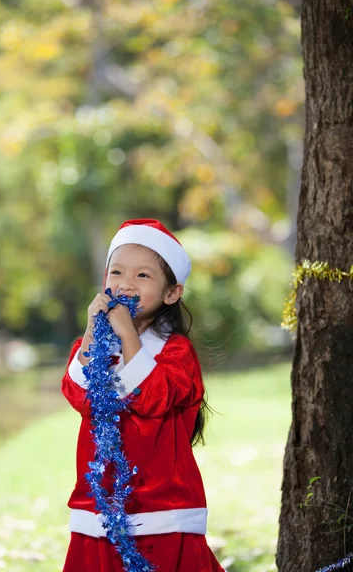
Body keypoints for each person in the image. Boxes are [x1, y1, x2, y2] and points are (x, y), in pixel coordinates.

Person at [62, 218, 226, 572]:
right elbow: (77, 394)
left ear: (171, 293)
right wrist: (94, 329)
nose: (125, 284)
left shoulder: (176, 352)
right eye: (117, 272)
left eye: (143, 276)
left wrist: (129, 337)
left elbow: (155, 396)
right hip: (99, 506)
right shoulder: (90, 348)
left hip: (162, 510)